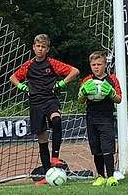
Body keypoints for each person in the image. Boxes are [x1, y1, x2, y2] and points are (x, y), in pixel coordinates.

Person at [10, 34, 79, 181]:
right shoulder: (28, 65)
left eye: (43, 47)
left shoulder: (52, 63)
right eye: (38, 46)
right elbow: (13, 77)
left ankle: (55, 157)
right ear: (33, 47)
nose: (40, 49)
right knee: (42, 138)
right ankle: (48, 174)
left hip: (50, 100)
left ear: (47, 49)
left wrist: (61, 83)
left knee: (56, 120)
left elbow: (74, 71)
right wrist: (22, 86)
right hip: (35, 103)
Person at [78, 50, 122, 185]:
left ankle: (111, 177)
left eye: (99, 64)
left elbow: (119, 99)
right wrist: (84, 92)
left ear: (105, 65)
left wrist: (111, 93)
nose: (96, 67)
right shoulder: (87, 80)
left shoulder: (112, 79)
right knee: (96, 149)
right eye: (93, 65)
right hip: (91, 118)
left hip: (106, 118)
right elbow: (80, 99)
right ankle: (100, 176)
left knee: (107, 148)